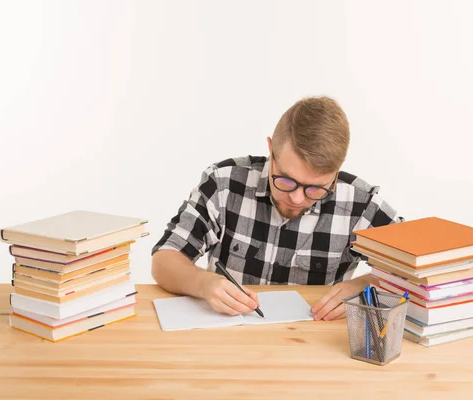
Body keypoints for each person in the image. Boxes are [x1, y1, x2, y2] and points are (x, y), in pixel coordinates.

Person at [151, 96, 402, 321]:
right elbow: (164, 259)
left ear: (336, 173)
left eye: (316, 188)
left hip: (316, 349)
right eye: (285, 180)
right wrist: (203, 283)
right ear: (271, 149)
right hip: (230, 342)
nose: (296, 198)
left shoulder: (360, 204)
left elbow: (422, 272)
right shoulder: (224, 184)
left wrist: (367, 286)